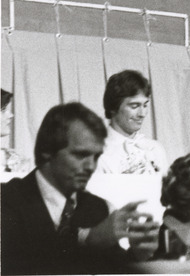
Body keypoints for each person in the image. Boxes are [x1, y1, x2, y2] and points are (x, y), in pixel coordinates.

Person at [1, 102, 159, 274]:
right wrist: (85, 239)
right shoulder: (7, 199)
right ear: (47, 150)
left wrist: (137, 255)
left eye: (96, 156)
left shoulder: (97, 208)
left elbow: (112, 270)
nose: (91, 166)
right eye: (80, 155)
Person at [97, 70, 168, 174]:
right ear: (113, 107)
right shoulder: (97, 154)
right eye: (134, 106)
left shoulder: (156, 149)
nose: (142, 114)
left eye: (145, 105)